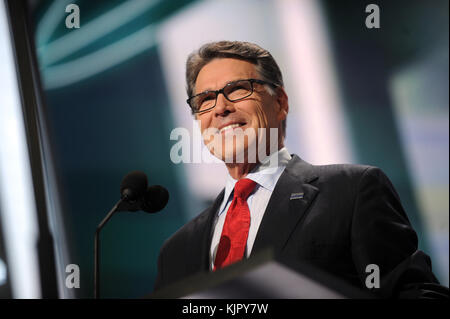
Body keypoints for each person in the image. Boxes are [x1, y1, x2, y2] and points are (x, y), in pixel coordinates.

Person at [154, 40, 447, 298]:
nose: (220, 107)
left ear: (280, 102)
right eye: (205, 99)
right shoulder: (176, 250)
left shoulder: (352, 191)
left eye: (238, 89)